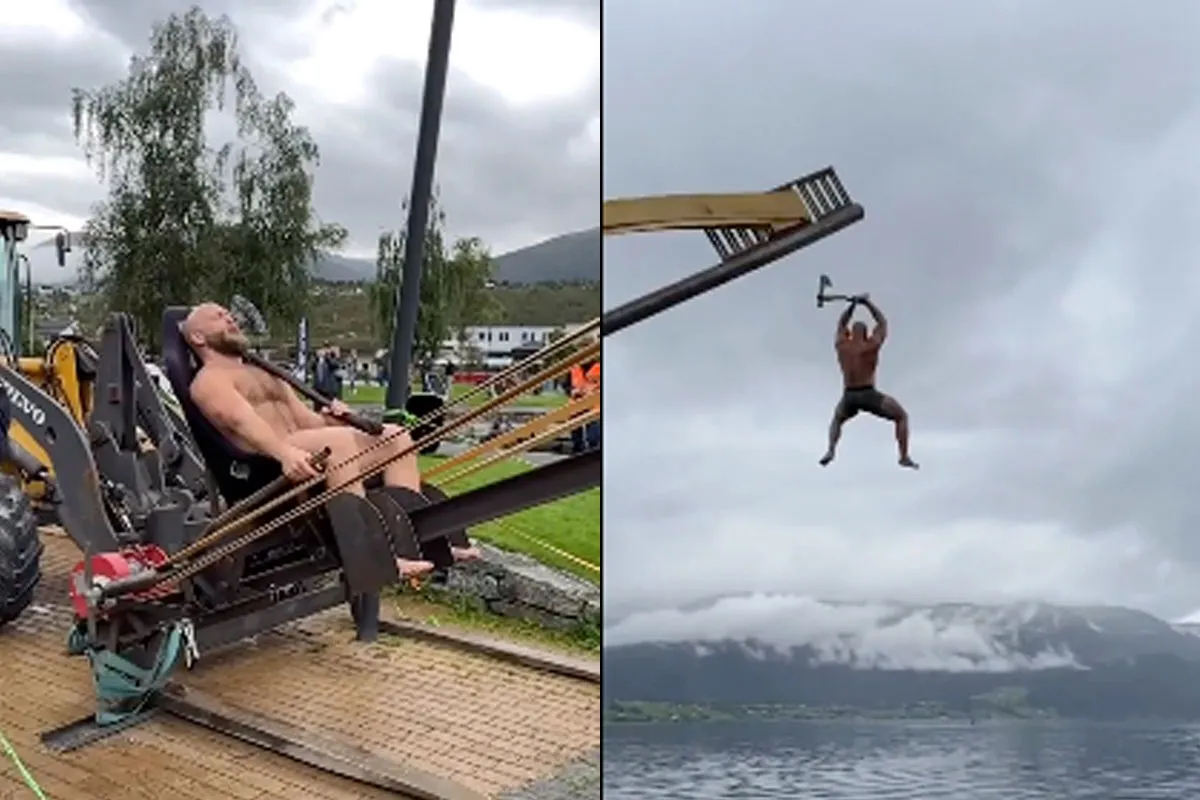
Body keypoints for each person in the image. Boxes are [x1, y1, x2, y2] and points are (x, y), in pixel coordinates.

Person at [181, 303, 478, 577]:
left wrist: (333, 419)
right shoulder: (209, 380)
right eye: (217, 317)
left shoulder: (263, 371)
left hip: (305, 449)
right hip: (270, 468)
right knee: (336, 444)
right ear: (198, 336)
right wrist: (284, 453)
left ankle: (418, 541)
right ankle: (370, 554)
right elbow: (239, 421)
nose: (230, 318)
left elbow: (306, 421)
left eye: (228, 314)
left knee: (395, 436)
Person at [819, 295, 917, 470]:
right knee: (901, 416)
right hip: (868, 394)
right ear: (867, 334)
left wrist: (852, 307)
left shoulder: (842, 346)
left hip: (849, 395)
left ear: (849, 333)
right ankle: (903, 456)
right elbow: (883, 323)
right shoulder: (871, 346)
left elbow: (841, 324)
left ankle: (831, 449)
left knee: (837, 420)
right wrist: (867, 303)